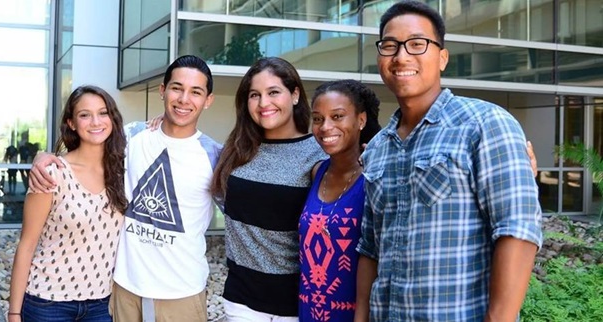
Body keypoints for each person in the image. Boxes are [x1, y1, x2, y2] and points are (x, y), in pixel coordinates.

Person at [355, 1, 543, 322]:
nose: (401, 56)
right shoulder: (376, 150)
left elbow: (517, 228)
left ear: (442, 57)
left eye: (417, 44)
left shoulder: (485, 124)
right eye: (390, 46)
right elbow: (371, 249)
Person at [28, 55, 221, 322]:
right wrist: (43, 156)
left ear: (208, 100)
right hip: (124, 290)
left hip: (182, 293)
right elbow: (86, 147)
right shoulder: (131, 136)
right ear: (162, 91)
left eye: (196, 92)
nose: (184, 99)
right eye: (177, 88)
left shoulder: (216, 156)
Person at [210, 57, 326, 321]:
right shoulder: (236, 149)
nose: (263, 104)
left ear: (295, 94)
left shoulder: (318, 155)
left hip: (294, 306)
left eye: (273, 92)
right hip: (241, 302)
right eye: (254, 95)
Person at [8, 85, 127, 322]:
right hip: (48, 303)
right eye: (85, 115)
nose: (96, 121)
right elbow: (27, 245)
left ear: (112, 118)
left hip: (102, 304)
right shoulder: (52, 173)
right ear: (72, 123)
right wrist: (14, 313)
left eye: (103, 113)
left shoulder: (124, 170)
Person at [298, 79, 381, 322]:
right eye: (317, 118)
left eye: (337, 116)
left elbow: (376, 255)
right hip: (308, 311)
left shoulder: (373, 178)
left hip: (354, 315)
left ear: (361, 120)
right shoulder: (317, 173)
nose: (325, 127)